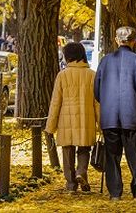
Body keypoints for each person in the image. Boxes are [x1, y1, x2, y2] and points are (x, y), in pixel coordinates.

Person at [94, 26, 136, 200]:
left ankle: (115, 192)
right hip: (131, 113)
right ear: (133, 41)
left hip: (110, 114)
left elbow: (97, 90)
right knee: (135, 154)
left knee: (112, 155)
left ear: (117, 40)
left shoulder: (105, 61)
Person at [45, 42, 100, 192]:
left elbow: (56, 102)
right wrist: (101, 125)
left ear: (68, 56)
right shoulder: (92, 75)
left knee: (67, 150)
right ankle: (81, 172)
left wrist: (50, 126)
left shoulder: (62, 75)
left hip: (66, 120)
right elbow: (97, 103)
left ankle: (71, 184)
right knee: (84, 149)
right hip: (86, 119)